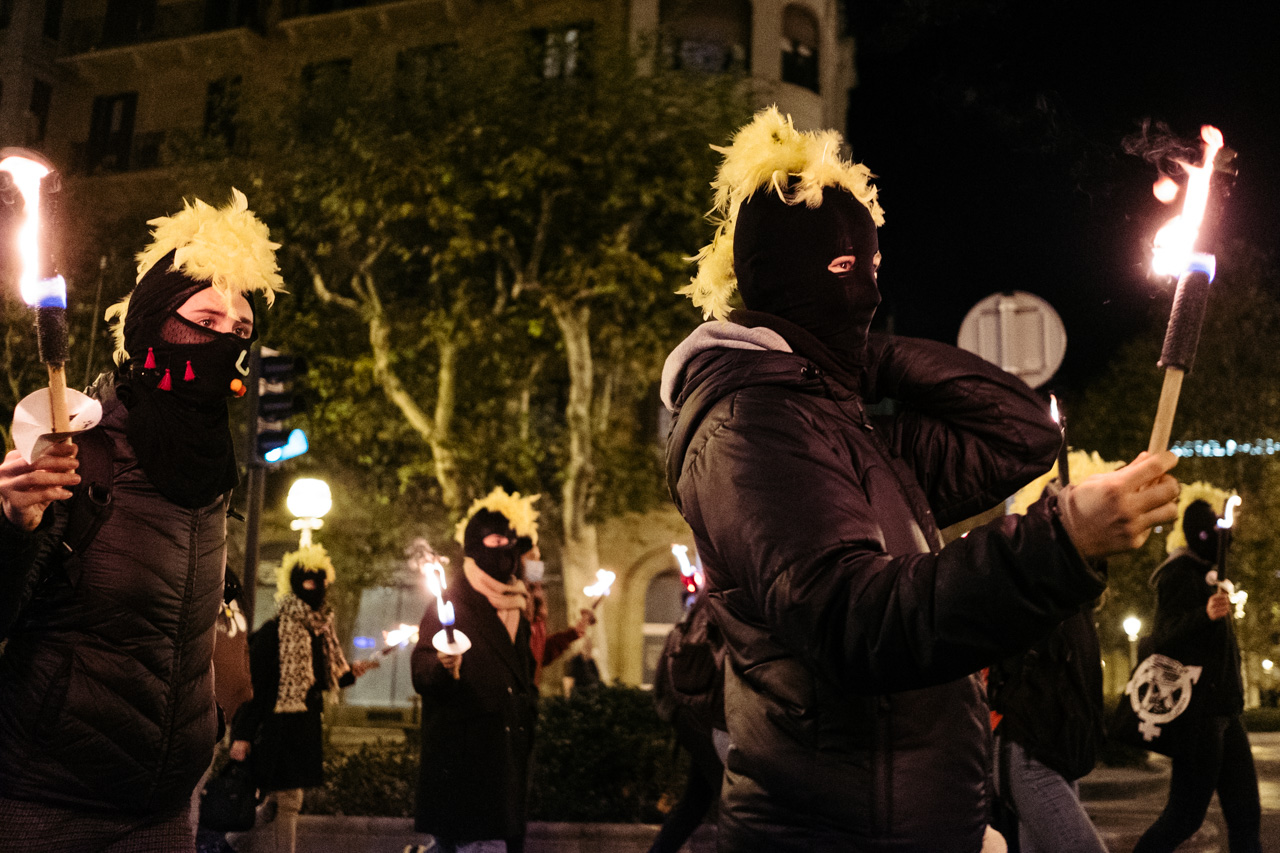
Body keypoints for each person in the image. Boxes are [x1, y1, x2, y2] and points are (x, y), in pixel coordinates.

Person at [661, 106, 1182, 852]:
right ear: (782, 280)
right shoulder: (751, 426)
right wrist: (1059, 541)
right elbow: (854, 619)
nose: (868, 293)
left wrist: (863, 357)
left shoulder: (846, 426)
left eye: (875, 269)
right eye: (846, 270)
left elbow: (1021, 433)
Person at [0, 189, 283, 852]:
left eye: (241, 331)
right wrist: (14, 521)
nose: (224, 341)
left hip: (166, 805)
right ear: (155, 326)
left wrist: (208, 726)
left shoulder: (213, 471)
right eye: (205, 319)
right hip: (50, 796)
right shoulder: (77, 445)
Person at [411, 488, 540, 853]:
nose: (507, 549)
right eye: (496, 540)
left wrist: (529, 710)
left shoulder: (518, 605)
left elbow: (523, 678)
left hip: (509, 762)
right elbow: (421, 670)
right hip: (467, 764)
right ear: (475, 545)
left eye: (512, 541)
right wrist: (443, 666)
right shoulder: (451, 601)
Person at [1133, 496, 1262, 853]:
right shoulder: (1178, 574)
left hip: (1227, 711)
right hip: (1200, 715)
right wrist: (1204, 613)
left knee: (1246, 815)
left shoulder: (1214, 575)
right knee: (1185, 816)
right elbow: (1162, 636)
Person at [228, 544, 376, 853]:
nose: (316, 588)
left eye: (321, 581)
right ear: (293, 583)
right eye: (308, 581)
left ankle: (233, 841)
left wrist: (349, 673)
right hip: (275, 727)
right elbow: (253, 685)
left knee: (276, 801)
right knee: (289, 800)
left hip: (303, 727)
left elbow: (320, 680)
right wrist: (241, 735)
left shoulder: (320, 630)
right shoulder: (273, 632)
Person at [647, 587, 727, 853]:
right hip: (699, 715)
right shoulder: (721, 593)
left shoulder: (710, 596)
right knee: (732, 799)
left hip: (691, 714)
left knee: (697, 800)